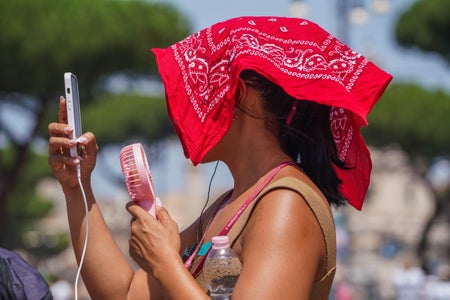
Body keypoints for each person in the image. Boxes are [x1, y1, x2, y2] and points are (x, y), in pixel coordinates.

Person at [48, 16, 392, 299]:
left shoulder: (286, 205)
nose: (187, 111)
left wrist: (166, 263)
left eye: (201, 88)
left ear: (241, 96)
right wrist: (76, 186)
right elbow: (123, 294)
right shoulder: (232, 203)